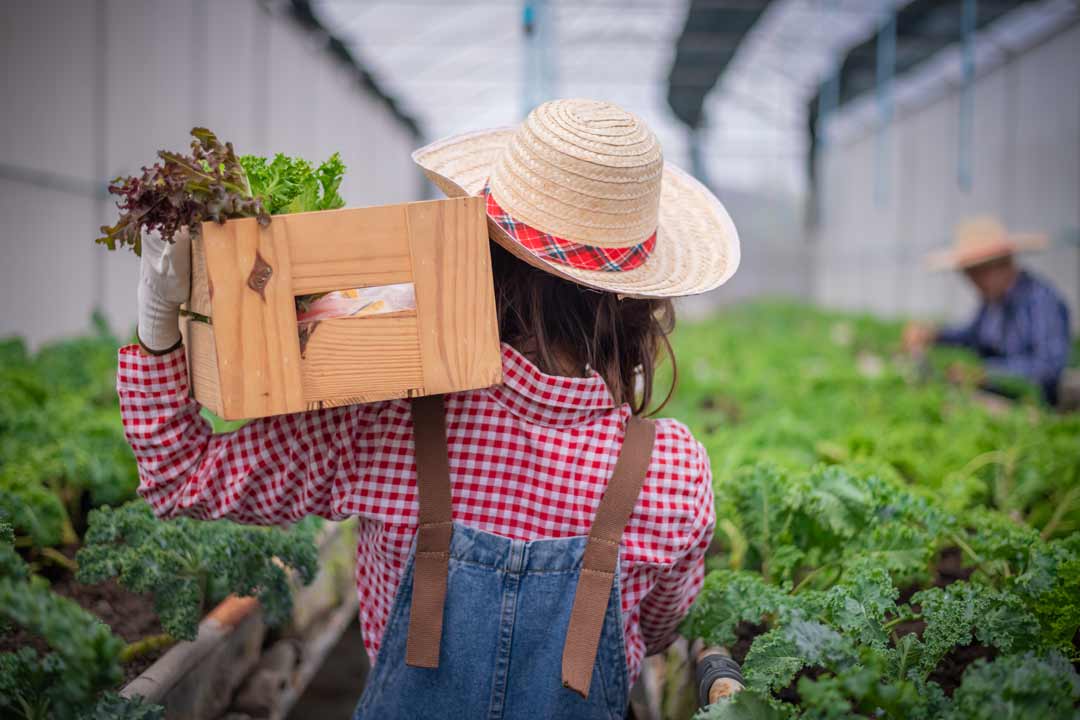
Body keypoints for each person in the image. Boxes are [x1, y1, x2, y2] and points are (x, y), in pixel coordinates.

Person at [121, 99, 741, 719]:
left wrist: (158, 324)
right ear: (638, 308)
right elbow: (660, 629)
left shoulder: (385, 418)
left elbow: (182, 477)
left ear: (484, 257)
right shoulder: (671, 472)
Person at [903, 217, 1072, 405]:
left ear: (1003, 263)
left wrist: (986, 374)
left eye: (977, 273)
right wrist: (935, 335)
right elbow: (973, 336)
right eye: (969, 274)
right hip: (998, 397)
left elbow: (1048, 367)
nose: (973, 282)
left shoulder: (1041, 302)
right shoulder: (993, 302)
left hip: (1033, 407)